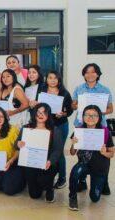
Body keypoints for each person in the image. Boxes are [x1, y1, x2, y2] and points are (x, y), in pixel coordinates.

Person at [71, 63, 113, 194]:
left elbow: (110, 109)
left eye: (93, 72)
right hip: (81, 124)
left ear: (98, 74)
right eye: (87, 72)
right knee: (83, 152)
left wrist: (97, 113)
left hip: (100, 126)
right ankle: (82, 181)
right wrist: (77, 106)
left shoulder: (104, 89)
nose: (90, 74)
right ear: (84, 74)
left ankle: (103, 181)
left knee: (102, 154)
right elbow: (73, 106)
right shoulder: (79, 89)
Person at [68, 105, 114, 211]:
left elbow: (112, 154)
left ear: (99, 118)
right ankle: (72, 197)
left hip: (99, 167)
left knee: (94, 198)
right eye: (87, 115)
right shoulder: (78, 130)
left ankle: (103, 182)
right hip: (84, 163)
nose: (90, 118)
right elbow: (72, 153)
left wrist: (104, 152)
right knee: (75, 172)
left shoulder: (105, 132)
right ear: (83, 116)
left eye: (94, 115)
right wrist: (73, 144)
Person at [15, 103, 63, 202]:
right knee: (34, 195)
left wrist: (50, 161)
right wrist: (18, 144)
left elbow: (57, 150)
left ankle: (50, 187)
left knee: (45, 181)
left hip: (47, 164)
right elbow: (16, 144)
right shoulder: (26, 128)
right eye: (39, 112)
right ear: (34, 113)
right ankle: (39, 183)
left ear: (49, 115)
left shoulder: (54, 130)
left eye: (44, 113)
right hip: (30, 163)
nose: (41, 115)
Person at [41, 71, 73, 189]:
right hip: (45, 125)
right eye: (50, 78)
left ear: (59, 80)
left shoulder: (64, 93)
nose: (53, 80)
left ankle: (62, 178)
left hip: (60, 125)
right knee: (46, 151)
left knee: (58, 152)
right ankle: (49, 175)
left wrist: (63, 114)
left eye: (55, 78)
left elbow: (69, 111)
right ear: (46, 79)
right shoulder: (42, 91)